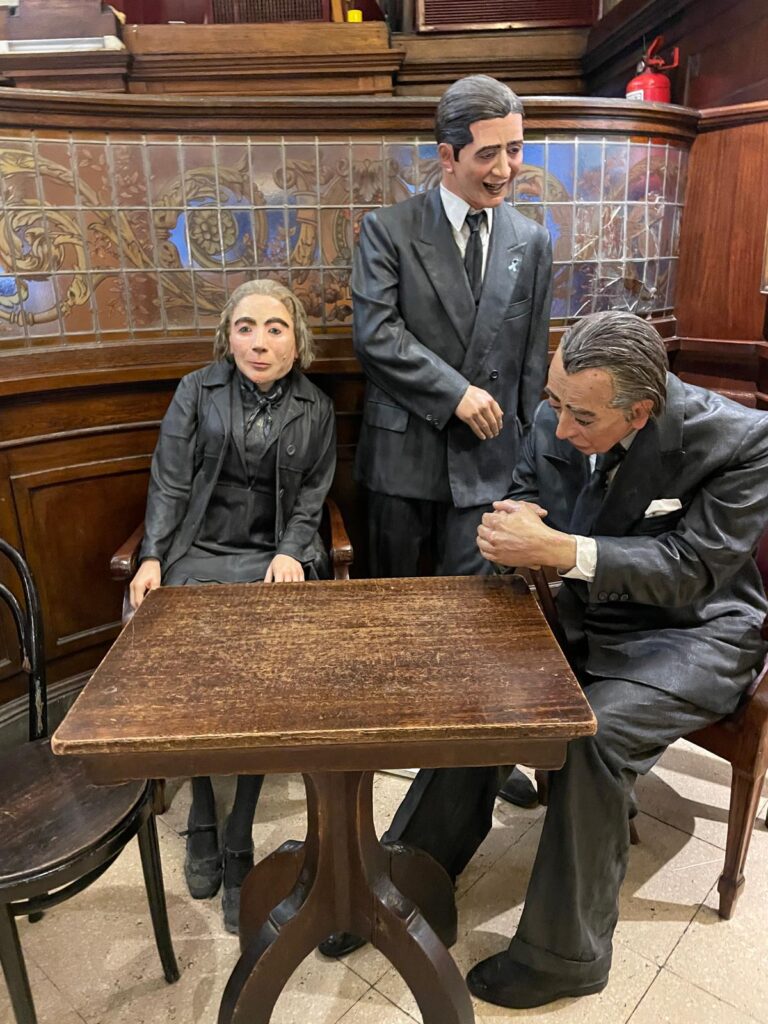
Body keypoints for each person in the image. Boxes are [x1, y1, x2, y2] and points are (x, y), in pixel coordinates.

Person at [382, 309, 768, 1007]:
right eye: (554, 402)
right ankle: (405, 884)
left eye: (580, 417)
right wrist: (518, 518)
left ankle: (567, 956)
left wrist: (563, 551)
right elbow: (534, 490)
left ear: (642, 411)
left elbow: (691, 569)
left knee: (594, 734)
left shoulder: (741, 443)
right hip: (587, 610)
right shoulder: (562, 409)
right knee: (481, 692)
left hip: (693, 632)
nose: (558, 427)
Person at [352, 72, 553, 819]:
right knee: (399, 611)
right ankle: (394, 740)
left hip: (491, 465)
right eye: (489, 154)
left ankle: (471, 757)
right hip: (404, 457)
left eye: (516, 150)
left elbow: (532, 361)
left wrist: (530, 474)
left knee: (478, 620)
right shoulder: (389, 229)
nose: (505, 169)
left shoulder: (531, 241)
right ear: (447, 155)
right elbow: (375, 337)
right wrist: (456, 394)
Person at [129, 278, 336, 933]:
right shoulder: (196, 390)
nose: (259, 341)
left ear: (297, 339)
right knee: (189, 676)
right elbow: (168, 478)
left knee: (256, 683)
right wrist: (153, 556)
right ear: (228, 336)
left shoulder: (317, 407)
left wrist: (292, 551)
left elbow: (311, 498)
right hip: (197, 552)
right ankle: (201, 815)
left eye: (275, 327)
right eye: (246, 327)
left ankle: (239, 832)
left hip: (268, 557)